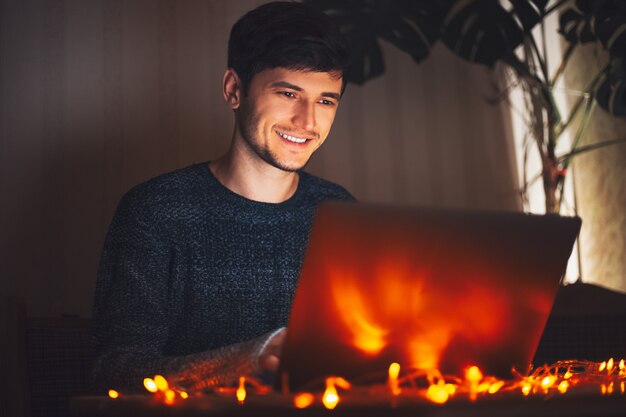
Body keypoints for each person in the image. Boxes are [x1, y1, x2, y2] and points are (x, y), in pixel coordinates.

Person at [92, 1, 354, 392]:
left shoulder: (341, 213)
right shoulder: (156, 211)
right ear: (234, 89)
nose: (308, 122)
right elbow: (115, 371)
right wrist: (252, 360)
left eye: (326, 100)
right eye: (287, 93)